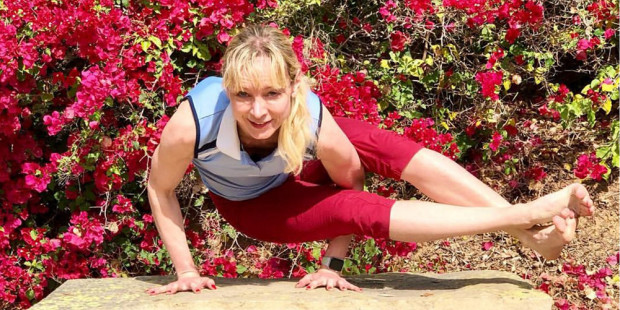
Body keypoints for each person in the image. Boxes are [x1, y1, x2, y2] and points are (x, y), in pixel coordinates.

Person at [145, 25, 594, 295]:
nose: (258, 110)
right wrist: (186, 271)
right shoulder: (195, 124)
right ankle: (525, 216)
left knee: (380, 147)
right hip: (253, 205)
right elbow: (160, 187)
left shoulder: (313, 115)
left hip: (303, 159)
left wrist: (331, 265)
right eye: (243, 95)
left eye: (272, 94)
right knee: (352, 210)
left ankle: (531, 235)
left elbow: (351, 179)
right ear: (227, 89)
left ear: (295, 88)